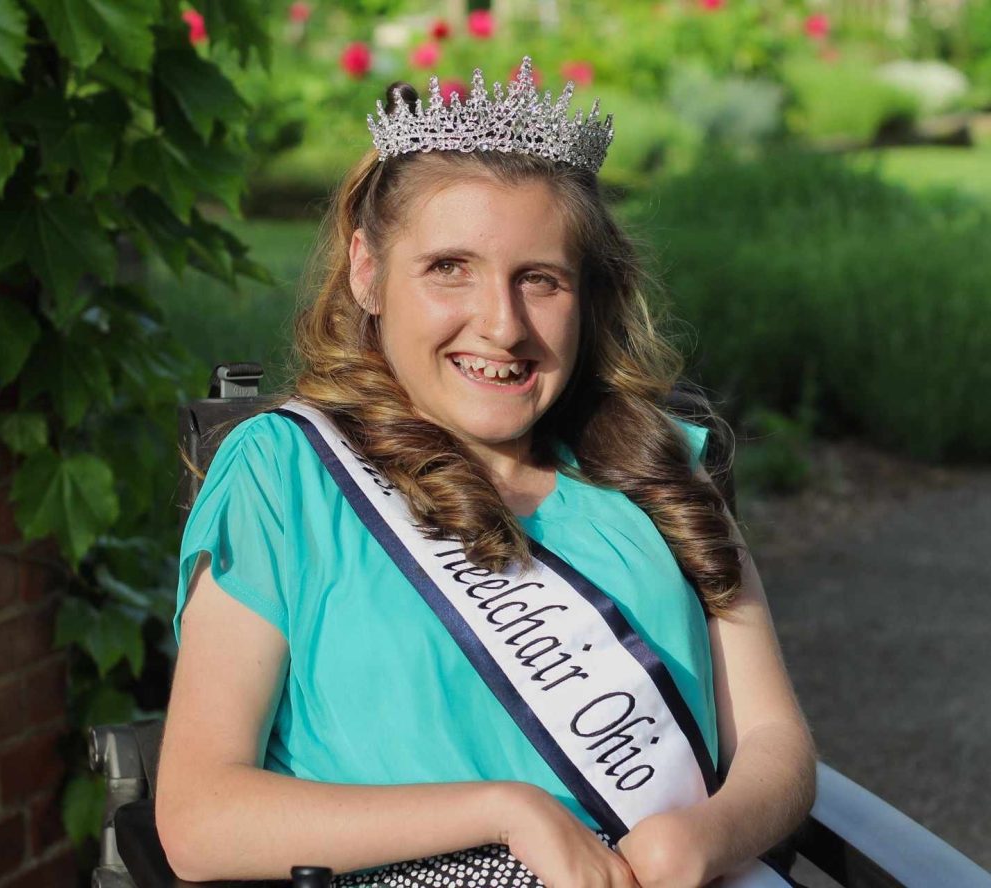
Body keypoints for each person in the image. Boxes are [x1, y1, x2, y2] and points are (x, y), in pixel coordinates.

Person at [154, 57, 816, 888]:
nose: (502, 327)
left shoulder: (662, 469)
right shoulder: (285, 477)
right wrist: (507, 811)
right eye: (448, 269)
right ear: (367, 272)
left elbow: (775, 747)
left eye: (539, 280)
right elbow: (199, 818)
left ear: (587, 294)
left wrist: (702, 840)